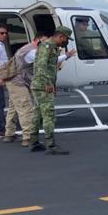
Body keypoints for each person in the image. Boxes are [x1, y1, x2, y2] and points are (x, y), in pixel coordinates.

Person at [28, 26, 73, 155]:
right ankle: (51, 145)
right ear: (61, 36)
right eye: (66, 39)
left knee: (37, 114)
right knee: (49, 115)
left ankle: (34, 142)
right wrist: (47, 83)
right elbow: (41, 65)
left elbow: (47, 65)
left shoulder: (51, 47)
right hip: (43, 85)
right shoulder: (47, 46)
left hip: (40, 84)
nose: (66, 42)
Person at [3, 35, 42, 146]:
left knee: (14, 108)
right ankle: (28, 137)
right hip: (18, 82)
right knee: (26, 107)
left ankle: (9, 134)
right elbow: (43, 61)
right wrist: (64, 56)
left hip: (14, 81)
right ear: (38, 40)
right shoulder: (32, 51)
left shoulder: (26, 49)